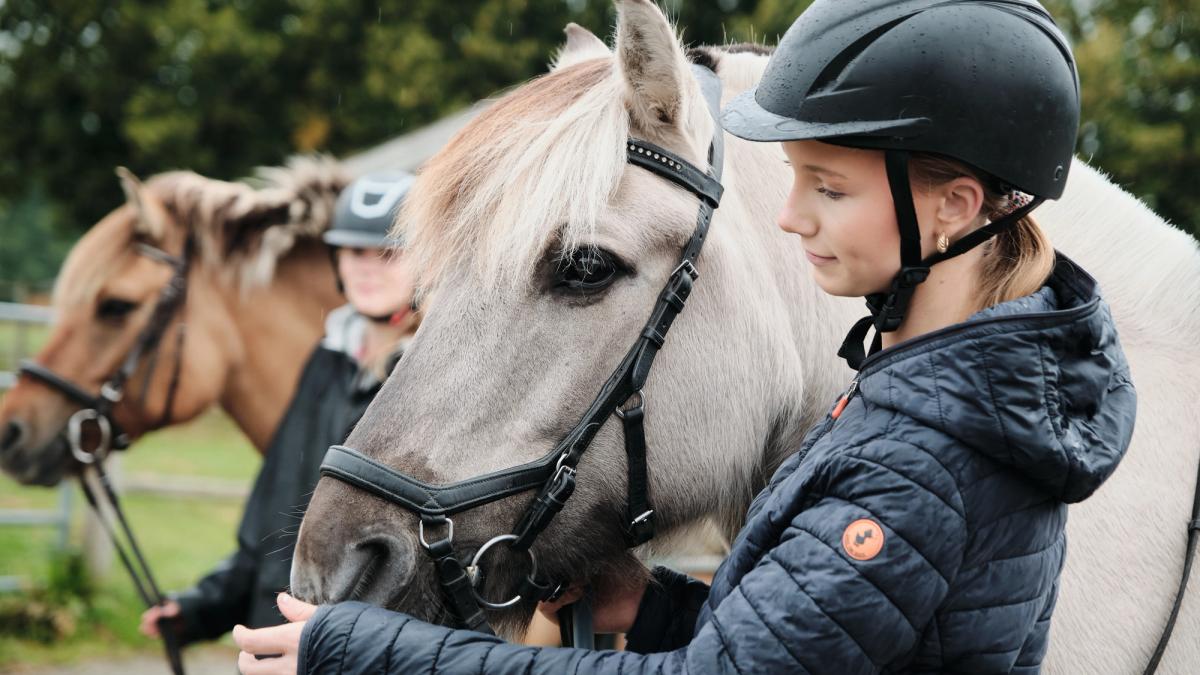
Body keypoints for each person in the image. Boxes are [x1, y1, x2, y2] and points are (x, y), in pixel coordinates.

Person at [232, 1, 1137, 672]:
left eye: (827, 188)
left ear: (953, 207)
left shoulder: (926, 456)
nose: (788, 218)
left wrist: (367, 649)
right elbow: (824, 643)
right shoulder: (918, 395)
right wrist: (654, 607)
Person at [138, 171, 421, 648]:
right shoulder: (327, 360)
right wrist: (202, 608)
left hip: (361, 646)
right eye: (354, 251)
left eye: (388, 253)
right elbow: (276, 510)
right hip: (277, 637)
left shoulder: (426, 379)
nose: (367, 267)